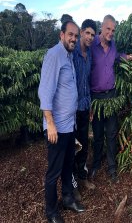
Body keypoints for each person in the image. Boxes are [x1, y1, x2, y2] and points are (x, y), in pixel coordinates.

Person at [38, 20, 85, 223]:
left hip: (69, 124)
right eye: (70, 35)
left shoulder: (69, 55)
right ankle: (51, 212)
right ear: (62, 35)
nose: (73, 38)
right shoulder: (54, 55)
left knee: (67, 166)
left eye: (76, 35)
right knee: (54, 171)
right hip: (57, 128)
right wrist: (51, 124)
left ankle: (67, 199)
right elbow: (45, 91)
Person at [90, 14, 132, 183]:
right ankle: (95, 164)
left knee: (111, 133)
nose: (111, 32)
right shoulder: (91, 46)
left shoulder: (113, 46)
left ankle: (112, 168)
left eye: (113, 30)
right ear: (101, 28)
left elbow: (118, 57)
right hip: (95, 97)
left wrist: (130, 57)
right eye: (108, 29)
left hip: (111, 96)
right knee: (97, 134)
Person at [72, 19, 97, 198]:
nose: (90, 37)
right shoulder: (72, 53)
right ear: (81, 32)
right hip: (71, 109)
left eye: (92, 34)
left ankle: (82, 177)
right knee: (72, 147)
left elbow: (87, 82)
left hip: (84, 106)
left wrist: (89, 105)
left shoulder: (89, 55)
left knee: (84, 144)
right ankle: (72, 185)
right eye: (87, 33)